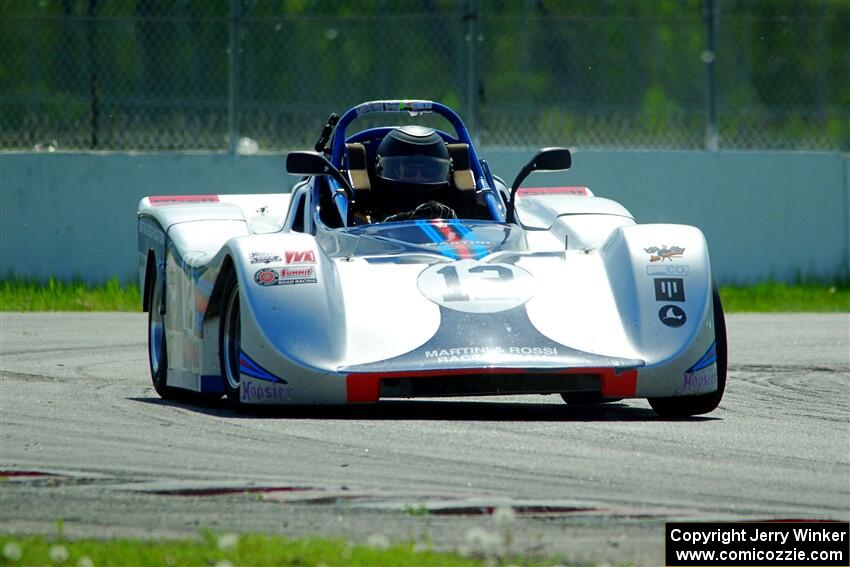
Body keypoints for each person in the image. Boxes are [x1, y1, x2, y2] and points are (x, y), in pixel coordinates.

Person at [371, 125, 457, 222]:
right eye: (408, 170)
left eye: (427, 171)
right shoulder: (364, 216)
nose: (418, 177)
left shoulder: (453, 213)